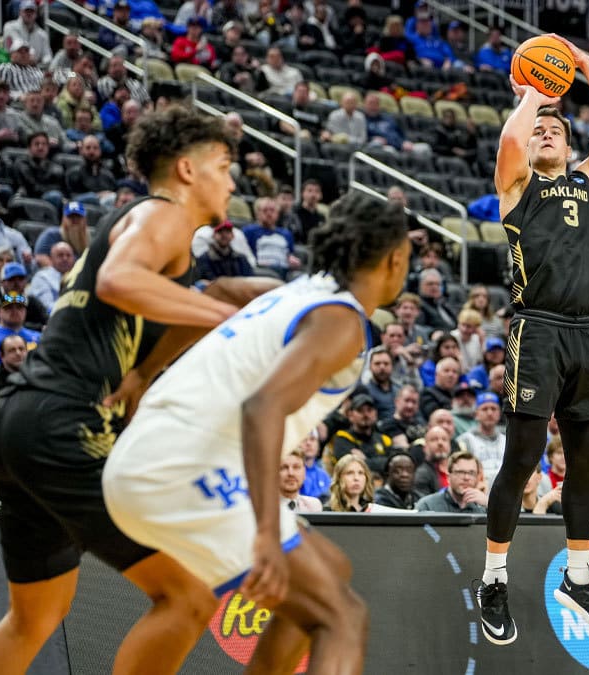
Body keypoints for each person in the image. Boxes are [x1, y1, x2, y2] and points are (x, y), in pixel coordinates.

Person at [0, 107, 260, 675]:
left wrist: (141, 374)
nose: (233, 180)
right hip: (61, 423)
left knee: (36, 616)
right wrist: (224, 319)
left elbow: (143, 310)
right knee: (187, 598)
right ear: (186, 170)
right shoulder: (162, 215)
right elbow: (118, 282)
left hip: (20, 421)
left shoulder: (162, 239)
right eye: (223, 165)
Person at [103, 191, 412, 673]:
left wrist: (145, 373)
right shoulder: (341, 321)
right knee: (341, 617)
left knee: (330, 576)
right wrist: (267, 530)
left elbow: (219, 290)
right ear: (396, 260)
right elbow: (263, 406)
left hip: (142, 458)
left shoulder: (291, 290)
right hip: (183, 469)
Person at [477, 33, 589, 646]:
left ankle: (577, 574)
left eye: (556, 130)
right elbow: (513, 139)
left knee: (586, 467)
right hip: (536, 328)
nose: (546, 133)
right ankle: (493, 577)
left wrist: (583, 65)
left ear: (571, 146)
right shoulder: (517, 187)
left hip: (588, 335)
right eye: (542, 128)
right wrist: (532, 95)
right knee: (521, 458)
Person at [416, 450, 489, 513]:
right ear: (448, 476)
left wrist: (490, 505)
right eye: (460, 472)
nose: (466, 477)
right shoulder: (428, 505)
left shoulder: (483, 506)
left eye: (471, 473)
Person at [279, 448, 322, 513]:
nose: (291, 473)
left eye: (296, 467)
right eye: (284, 467)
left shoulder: (314, 506)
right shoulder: (262, 507)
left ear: (304, 472)